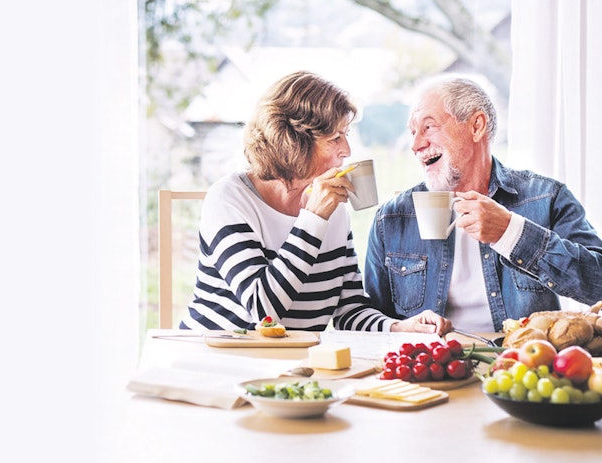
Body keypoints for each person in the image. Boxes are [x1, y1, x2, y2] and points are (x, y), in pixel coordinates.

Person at [180, 70, 451, 335]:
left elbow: (349, 310)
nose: (347, 150)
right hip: (216, 362)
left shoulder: (332, 209)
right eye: (335, 138)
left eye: (346, 135)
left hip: (292, 367)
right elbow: (264, 311)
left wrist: (399, 327)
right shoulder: (230, 198)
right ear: (293, 141)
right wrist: (313, 219)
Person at [364, 75, 602, 332]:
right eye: (412, 133)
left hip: (521, 368)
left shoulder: (546, 198)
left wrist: (512, 233)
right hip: (431, 371)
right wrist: (397, 328)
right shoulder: (392, 218)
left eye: (428, 127)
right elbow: (370, 322)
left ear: (477, 126)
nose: (416, 145)